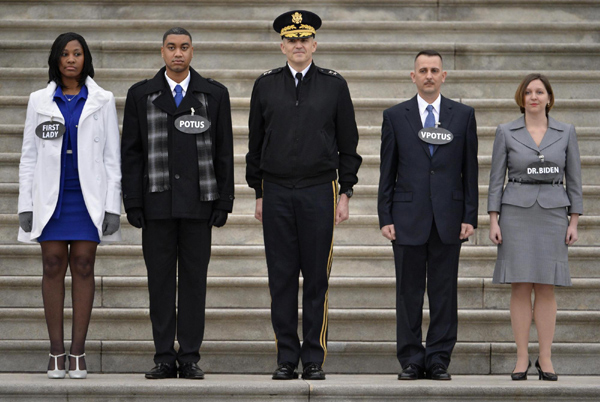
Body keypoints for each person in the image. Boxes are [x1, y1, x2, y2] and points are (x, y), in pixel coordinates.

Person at [246, 10, 362, 380]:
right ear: (282, 45)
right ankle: (285, 357)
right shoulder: (265, 85)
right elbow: (255, 142)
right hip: (277, 190)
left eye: (304, 39)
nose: (298, 45)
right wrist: (258, 192)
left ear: (314, 44)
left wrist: (346, 191)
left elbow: (349, 142)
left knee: (316, 277)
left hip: (319, 190)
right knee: (280, 278)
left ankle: (313, 357)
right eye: (291, 39)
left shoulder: (334, 84)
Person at [121, 27, 234, 380]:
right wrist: (133, 201)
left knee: (193, 283)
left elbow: (224, 150)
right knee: (159, 282)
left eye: (184, 47)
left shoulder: (213, 94)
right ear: (162, 52)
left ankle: (189, 358)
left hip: (199, 205)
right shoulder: (141, 94)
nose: (178, 54)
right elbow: (132, 152)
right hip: (157, 205)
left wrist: (224, 200)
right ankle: (163, 357)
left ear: (192, 51)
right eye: (171, 48)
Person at [18, 32, 121, 379]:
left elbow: (111, 158)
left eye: (77, 53)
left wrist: (111, 206)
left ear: (85, 58)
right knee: (51, 264)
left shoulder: (103, 100)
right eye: (65, 54)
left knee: (83, 264)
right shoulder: (39, 101)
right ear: (56, 60)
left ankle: (77, 352)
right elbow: (28, 157)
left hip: (86, 196)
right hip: (51, 196)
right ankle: (55, 352)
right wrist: (25, 203)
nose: (71, 59)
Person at [377, 50, 478, 381]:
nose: (429, 75)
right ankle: (410, 358)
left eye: (435, 70)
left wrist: (470, 215)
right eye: (423, 70)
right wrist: (385, 215)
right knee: (407, 292)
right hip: (407, 217)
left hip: (449, 217)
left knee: (444, 291)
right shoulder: (395, 116)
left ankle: (438, 358)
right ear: (413, 76)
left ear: (444, 75)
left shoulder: (462, 116)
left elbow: (470, 170)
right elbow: (387, 171)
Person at [487, 74, 582, 381]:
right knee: (519, 285)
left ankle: (545, 358)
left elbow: (575, 178)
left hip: (554, 212)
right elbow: (495, 178)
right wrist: (493, 218)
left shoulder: (566, 132)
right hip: (516, 211)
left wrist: (574, 219)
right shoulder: (506, 131)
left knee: (546, 286)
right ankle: (521, 358)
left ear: (549, 98)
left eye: (540, 91)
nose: (534, 96)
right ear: (521, 97)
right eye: (528, 92)